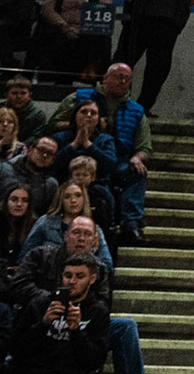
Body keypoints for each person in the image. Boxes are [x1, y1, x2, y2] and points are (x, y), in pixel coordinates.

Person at [44, 65, 150, 244]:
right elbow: (52, 124)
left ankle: (130, 224)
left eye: (127, 78)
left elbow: (144, 146)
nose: (123, 81)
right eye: (118, 76)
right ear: (105, 77)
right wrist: (80, 129)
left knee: (136, 171)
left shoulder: (137, 110)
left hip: (114, 158)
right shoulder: (78, 97)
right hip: (71, 157)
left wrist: (138, 156)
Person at [5, 251, 108, 374]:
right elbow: (17, 349)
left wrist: (76, 331)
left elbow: (94, 360)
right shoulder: (40, 304)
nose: (72, 281)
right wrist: (43, 324)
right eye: (68, 275)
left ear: (92, 279)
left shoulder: (97, 311)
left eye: (79, 276)